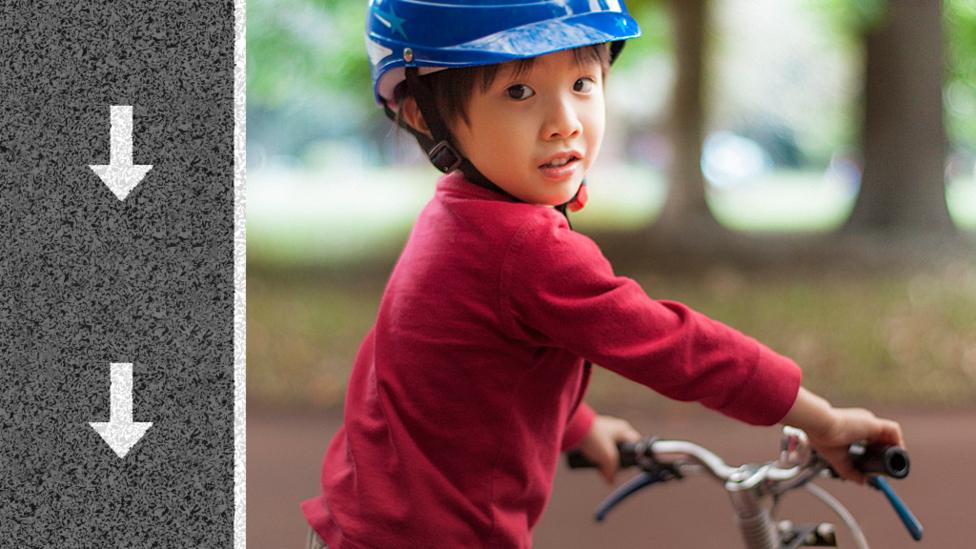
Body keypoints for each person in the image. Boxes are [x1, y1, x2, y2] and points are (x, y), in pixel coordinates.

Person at [301, 1, 905, 548]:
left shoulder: (456, 218)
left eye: (583, 82)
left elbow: (456, 370)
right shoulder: (523, 248)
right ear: (425, 116)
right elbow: (678, 347)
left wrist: (579, 423)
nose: (564, 121)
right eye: (518, 92)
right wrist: (822, 420)